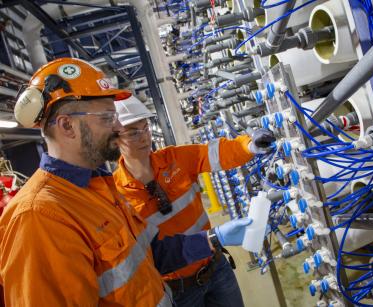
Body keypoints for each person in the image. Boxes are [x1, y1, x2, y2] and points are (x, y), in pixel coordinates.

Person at [0, 57, 253, 306]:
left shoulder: (98, 188)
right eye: (108, 118)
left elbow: (150, 253)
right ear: (68, 126)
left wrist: (214, 239)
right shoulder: (39, 217)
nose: (119, 126)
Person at [113, 95, 275, 306]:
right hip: (179, 289)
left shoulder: (174, 158)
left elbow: (215, 152)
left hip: (215, 268)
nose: (144, 138)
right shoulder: (117, 194)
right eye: (133, 133)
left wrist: (249, 145)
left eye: (145, 128)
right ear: (114, 139)